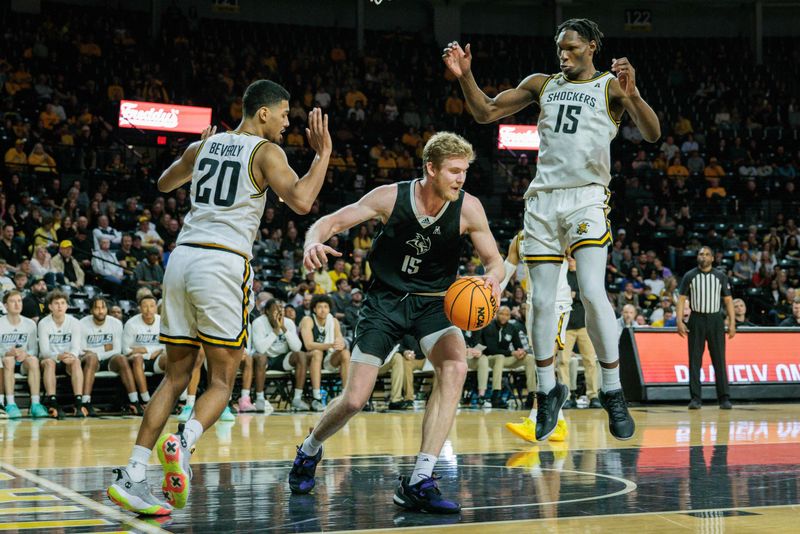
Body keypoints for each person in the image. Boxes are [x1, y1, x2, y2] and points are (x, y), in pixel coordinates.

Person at [107, 79, 331, 515]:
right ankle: (183, 442)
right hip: (222, 263)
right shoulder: (266, 152)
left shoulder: (205, 145)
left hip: (181, 259)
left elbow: (164, 182)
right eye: (284, 114)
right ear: (262, 112)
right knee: (223, 381)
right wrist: (322, 154)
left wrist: (196, 152)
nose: (288, 123)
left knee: (175, 377)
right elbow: (302, 201)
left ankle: (134, 472)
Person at [443, 17, 660, 440]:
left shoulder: (610, 87)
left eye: (573, 47)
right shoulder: (542, 83)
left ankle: (612, 390)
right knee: (541, 302)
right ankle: (548, 391)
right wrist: (466, 76)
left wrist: (634, 98)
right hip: (543, 200)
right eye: (560, 46)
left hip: (587, 196)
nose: (564, 53)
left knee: (593, 291)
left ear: (593, 46)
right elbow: (485, 111)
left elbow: (652, 133)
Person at [288, 131, 504, 514]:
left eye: (464, 172)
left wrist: (492, 279)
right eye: (453, 171)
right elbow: (332, 222)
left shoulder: (468, 209)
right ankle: (310, 448)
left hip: (434, 303)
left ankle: (420, 479)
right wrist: (311, 243)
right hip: (385, 302)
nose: (460, 178)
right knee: (355, 399)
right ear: (431, 168)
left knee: (455, 366)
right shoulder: (391, 196)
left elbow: (495, 261)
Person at [500, 232, 569, 442]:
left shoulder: (561, 232)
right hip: (533, 304)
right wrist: (491, 295)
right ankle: (560, 423)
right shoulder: (520, 238)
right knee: (543, 363)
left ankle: (535, 418)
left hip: (557, 303)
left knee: (546, 362)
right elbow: (508, 268)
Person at [676, 246, 735, 410]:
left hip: (716, 319)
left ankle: (724, 398)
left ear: (713, 258)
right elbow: (681, 299)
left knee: (719, 359)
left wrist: (732, 322)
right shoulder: (690, 275)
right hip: (696, 319)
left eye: (707, 254)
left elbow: (728, 300)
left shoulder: (720, 276)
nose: (704, 256)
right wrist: (679, 320)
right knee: (695, 360)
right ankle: (695, 398)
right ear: (697, 257)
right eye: (701, 254)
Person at [80, 297, 136, 416]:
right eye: (97, 308)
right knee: (91, 359)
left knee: (121, 359)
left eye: (103, 307)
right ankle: (85, 402)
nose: (100, 311)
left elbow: (117, 349)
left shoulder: (116, 323)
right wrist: (105, 348)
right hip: (90, 361)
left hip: (110, 360)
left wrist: (96, 352)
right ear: (91, 310)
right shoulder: (82, 323)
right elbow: (82, 350)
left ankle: (134, 401)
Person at [251, 298, 308, 411]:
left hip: (282, 360)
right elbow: (261, 349)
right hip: (264, 359)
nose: (279, 311)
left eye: (281, 308)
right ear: (267, 311)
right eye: (276, 309)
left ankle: (297, 398)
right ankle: (260, 398)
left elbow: (297, 347)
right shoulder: (258, 322)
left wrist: (283, 328)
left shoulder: (288, 322)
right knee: (261, 358)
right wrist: (276, 330)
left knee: (301, 355)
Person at [298, 295, 351, 411]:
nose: (323, 310)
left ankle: (346, 396)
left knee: (345, 353)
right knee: (317, 352)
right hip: (306, 359)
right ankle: (316, 398)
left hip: (327, 358)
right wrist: (331, 345)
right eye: (320, 307)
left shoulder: (334, 321)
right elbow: (308, 345)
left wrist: (341, 344)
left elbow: (339, 341)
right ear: (314, 309)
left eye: (326, 307)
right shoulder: (308, 320)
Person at [38, 290, 85, 418]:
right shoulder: (43, 323)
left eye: (63, 303)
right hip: (51, 359)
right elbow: (44, 351)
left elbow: (76, 347)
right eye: (56, 303)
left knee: (76, 361)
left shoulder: (75, 322)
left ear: (67, 306)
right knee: (49, 362)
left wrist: (71, 356)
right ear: (50, 307)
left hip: (68, 359)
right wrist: (58, 356)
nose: (60, 306)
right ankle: (52, 401)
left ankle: (79, 403)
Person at [0, 291, 47, 418]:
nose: (17, 304)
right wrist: (6, 353)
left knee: (33, 360)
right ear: (5, 305)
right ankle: (10, 404)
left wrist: (25, 354)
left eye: (19, 301)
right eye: (13, 301)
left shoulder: (30, 324)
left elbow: (34, 350)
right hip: (4, 363)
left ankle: (36, 404)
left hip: (22, 363)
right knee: (9, 360)